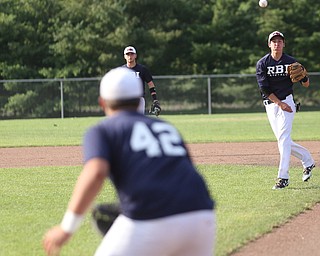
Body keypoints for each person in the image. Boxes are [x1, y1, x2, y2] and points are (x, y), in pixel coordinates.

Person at [42, 67, 216, 256]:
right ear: (138, 100)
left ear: (102, 103)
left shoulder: (103, 130)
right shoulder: (164, 127)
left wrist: (67, 228)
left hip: (151, 217)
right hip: (201, 215)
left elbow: (96, 172)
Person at [256, 31, 315, 190]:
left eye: (279, 41)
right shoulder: (263, 63)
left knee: (283, 139)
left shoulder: (291, 62)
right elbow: (264, 89)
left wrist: (303, 77)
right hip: (271, 104)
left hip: (288, 103)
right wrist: (279, 104)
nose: (277, 43)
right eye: (273, 41)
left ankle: (283, 177)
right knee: (284, 141)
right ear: (269, 44)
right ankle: (308, 160)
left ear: (284, 44)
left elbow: (306, 84)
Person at [122, 45, 161, 114]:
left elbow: (150, 84)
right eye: (127, 54)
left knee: (138, 120)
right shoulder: (121, 70)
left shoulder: (142, 69)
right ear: (124, 56)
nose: (130, 56)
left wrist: (155, 99)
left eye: (132, 54)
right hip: (126, 98)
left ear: (135, 55)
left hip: (139, 99)